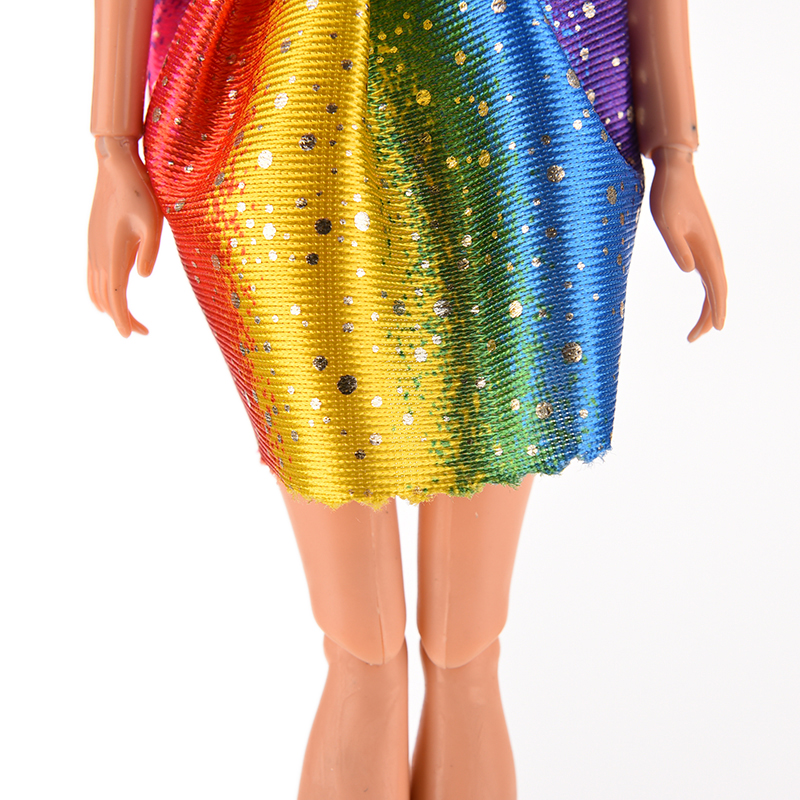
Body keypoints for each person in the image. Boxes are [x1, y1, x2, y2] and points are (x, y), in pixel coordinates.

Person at [87, 0, 727, 797]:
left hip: (507, 99)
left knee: (467, 646)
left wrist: (677, 150)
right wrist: (111, 143)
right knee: (362, 644)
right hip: (289, 104)